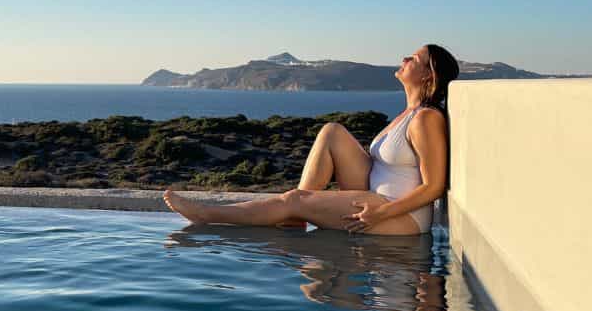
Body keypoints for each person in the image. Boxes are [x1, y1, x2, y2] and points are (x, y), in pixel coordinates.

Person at [163, 44, 460, 236]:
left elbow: (433, 186)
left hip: (399, 214)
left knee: (294, 199)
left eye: (414, 59)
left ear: (428, 76)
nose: (405, 59)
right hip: (375, 195)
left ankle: (208, 214)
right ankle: (296, 214)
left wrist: (381, 213)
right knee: (332, 131)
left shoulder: (426, 118)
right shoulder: (408, 114)